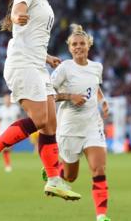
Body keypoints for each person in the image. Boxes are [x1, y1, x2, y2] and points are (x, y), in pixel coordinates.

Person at [0, 0, 81, 200]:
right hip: (22, 65)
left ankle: (54, 180)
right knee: (40, 119)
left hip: (36, 65)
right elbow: (18, 10)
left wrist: (46, 57)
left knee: (51, 124)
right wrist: (17, 16)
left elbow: (31, 37)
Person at [48, 24, 112, 221]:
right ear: (69, 48)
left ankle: (101, 216)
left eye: (82, 43)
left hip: (92, 126)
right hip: (69, 129)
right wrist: (70, 96)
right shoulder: (64, 68)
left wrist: (102, 101)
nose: (78, 47)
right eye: (74, 44)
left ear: (88, 46)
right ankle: (54, 171)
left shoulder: (96, 67)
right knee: (70, 177)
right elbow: (48, 94)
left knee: (98, 169)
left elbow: (95, 87)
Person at [0, 94, 21, 172]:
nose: (7, 100)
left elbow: (19, 119)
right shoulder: (1, 109)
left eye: (8, 99)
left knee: (8, 148)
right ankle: (7, 165)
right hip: (2, 131)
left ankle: (3, 161)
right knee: (6, 148)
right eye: (5, 99)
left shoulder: (15, 108)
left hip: (13, 131)